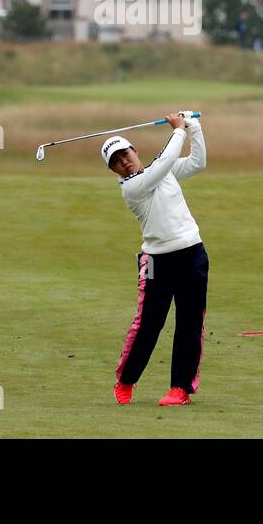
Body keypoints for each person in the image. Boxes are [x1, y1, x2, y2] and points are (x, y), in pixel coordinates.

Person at [101, 111, 208, 406]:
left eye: (125, 154)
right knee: (148, 324)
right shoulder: (132, 188)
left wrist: (193, 126)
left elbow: (198, 162)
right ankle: (125, 381)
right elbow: (162, 164)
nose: (123, 161)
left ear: (135, 151)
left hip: (192, 253)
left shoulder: (163, 170)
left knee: (189, 322)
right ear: (114, 171)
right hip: (157, 261)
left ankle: (180, 389)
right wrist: (177, 130)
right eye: (116, 162)